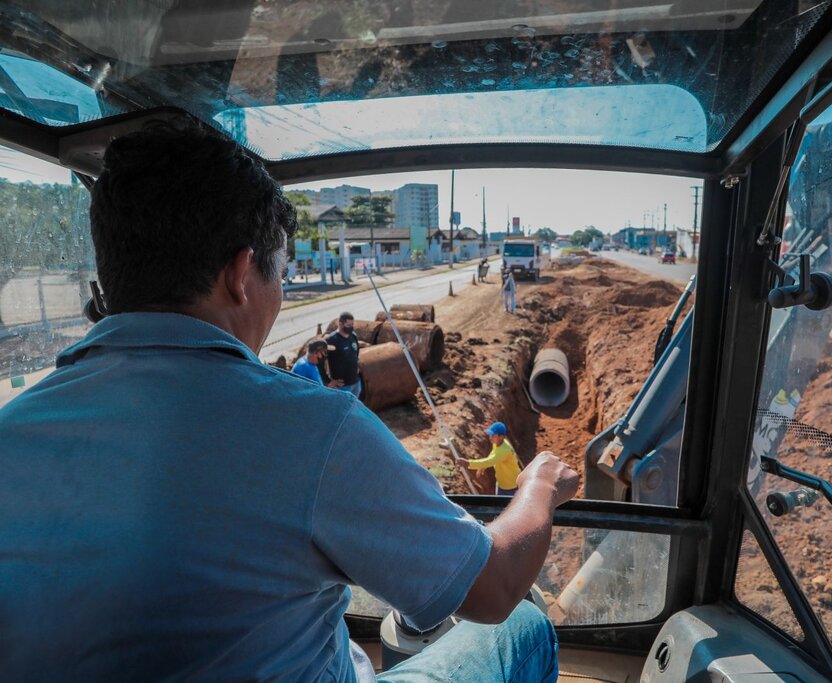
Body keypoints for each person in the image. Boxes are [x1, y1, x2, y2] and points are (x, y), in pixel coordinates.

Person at [0, 122, 578, 682]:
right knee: (523, 625)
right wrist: (539, 489)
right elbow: (494, 588)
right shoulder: (313, 428)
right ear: (240, 275)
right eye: (280, 271)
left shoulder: (13, 428)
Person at [458, 422, 523, 496]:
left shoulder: (505, 450)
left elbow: (490, 461)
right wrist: (482, 466)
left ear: (501, 436)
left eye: (493, 435)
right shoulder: (497, 443)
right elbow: (493, 454)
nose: (490, 437)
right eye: (490, 435)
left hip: (512, 488)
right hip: (501, 485)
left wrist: (468, 463)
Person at [325, 311, 363, 397]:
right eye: (348, 325)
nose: (351, 327)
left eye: (352, 325)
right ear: (340, 324)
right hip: (342, 386)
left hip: (355, 382)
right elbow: (322, 361)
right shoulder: (331, 340)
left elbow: (356, 353)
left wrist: (357, 366)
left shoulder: (353, 336)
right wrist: (328, 381)